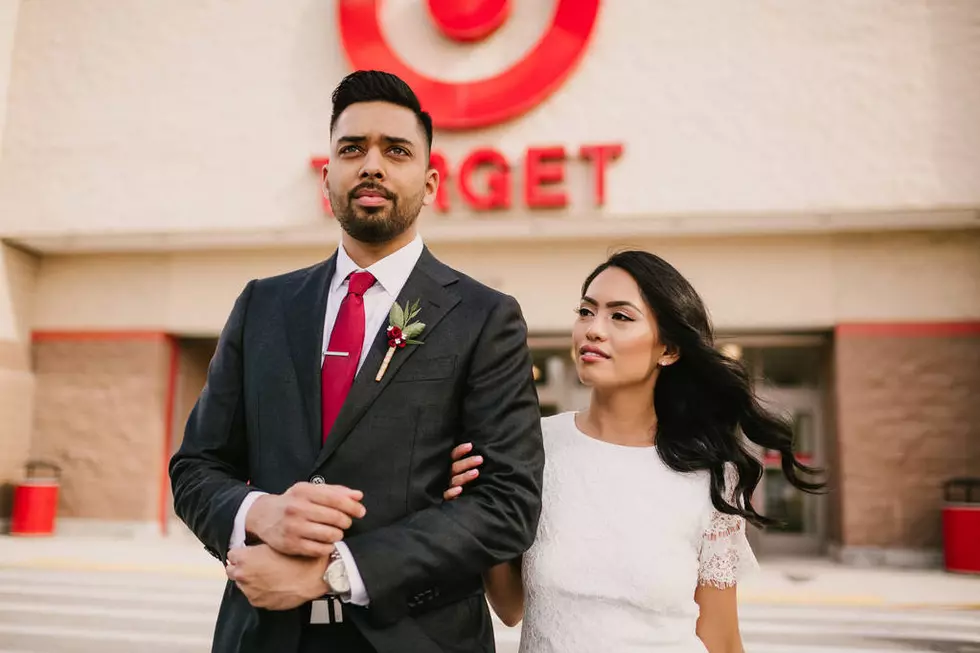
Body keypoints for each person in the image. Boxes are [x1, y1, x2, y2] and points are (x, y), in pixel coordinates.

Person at [169, 70, 545, 653]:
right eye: (352, 149)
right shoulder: (261, 305)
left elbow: (506, 504)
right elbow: (195, 467)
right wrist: (259, 512)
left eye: (396, 151)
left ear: (431, 182)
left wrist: (335, 570)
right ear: (328, 178)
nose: (372, 165)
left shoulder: (485, 317)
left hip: (418, 636)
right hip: (264, 636)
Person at [446, 250, 825, 653]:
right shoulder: (533, 447)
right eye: (586, 311)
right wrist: (476, 509)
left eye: (620, 316)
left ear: (669, 349)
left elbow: (721, 638)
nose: (593, 329)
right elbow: (510, 606)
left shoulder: (711, 475)